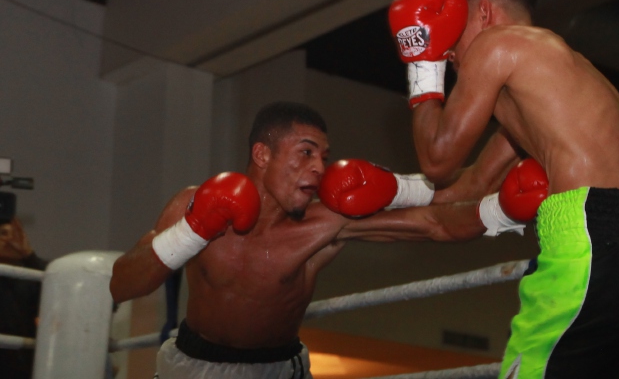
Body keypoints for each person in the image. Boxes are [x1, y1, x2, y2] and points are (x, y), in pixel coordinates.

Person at [388, 0, 619, 379]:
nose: (449, 50)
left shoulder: (496, 45)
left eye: (453, 30)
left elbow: (437, 159)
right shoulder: (563, 79)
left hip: (589, 245)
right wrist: (390, 193)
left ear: (484, 13)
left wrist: (422, 59)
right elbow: (468, 184)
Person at [110, 101, 544, 379]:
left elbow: (437, 222)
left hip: (278, 369)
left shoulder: (327, 221)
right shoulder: (193, 204)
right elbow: (123, 285)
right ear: (262, 154)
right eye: (305, 152)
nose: (319, 167)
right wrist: (193, 231)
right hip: (192, 364)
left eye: (324, 155)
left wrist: (503, 204)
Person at [0, 217, 48, 379]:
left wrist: (29, 255)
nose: (8, 240)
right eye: (2, 234)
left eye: (12, 234)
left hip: (23, 368)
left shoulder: (32, 276)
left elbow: (62, 291)